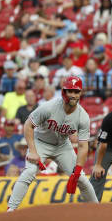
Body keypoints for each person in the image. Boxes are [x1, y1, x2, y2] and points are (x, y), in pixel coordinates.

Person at [7, 76, 98, 210]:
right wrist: (33, 151)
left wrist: (77, 170)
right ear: (63, 92)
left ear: (80, 93)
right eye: (70, 91)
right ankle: (11, 210)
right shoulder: (49, 107)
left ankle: (98, 211)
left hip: (62, 146)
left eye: (76, 91)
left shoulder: (83, 116)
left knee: (82, 180)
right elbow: (28, 125)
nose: (73, 95)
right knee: (29, 172)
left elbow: (83, 145)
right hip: (41, 143)